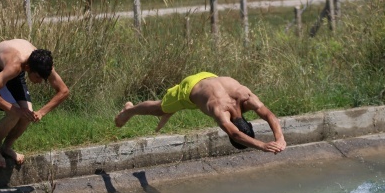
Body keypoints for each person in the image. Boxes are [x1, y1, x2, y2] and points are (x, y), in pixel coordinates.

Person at [115, 72, 286, 153]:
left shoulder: (246, 98)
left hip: (209, 77)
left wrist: (280, 138)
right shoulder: (219, 111)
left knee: (188, 104)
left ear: (248, 123)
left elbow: (269, 115)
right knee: (159, 109)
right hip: (189, 89)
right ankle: (129, 110)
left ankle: (172, 110)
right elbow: (235, 135)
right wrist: (263, 145)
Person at [0, 39, 69, 168]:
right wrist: (15, 110)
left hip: (13, 71)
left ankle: (7, 147)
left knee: (28, 115)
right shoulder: (16, 65)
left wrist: (41, 112)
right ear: (28, 68)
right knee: (14, 115)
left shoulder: (44, 64)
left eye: (43, 79)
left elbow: (63, 91)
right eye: (37, 77)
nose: (39, 82)